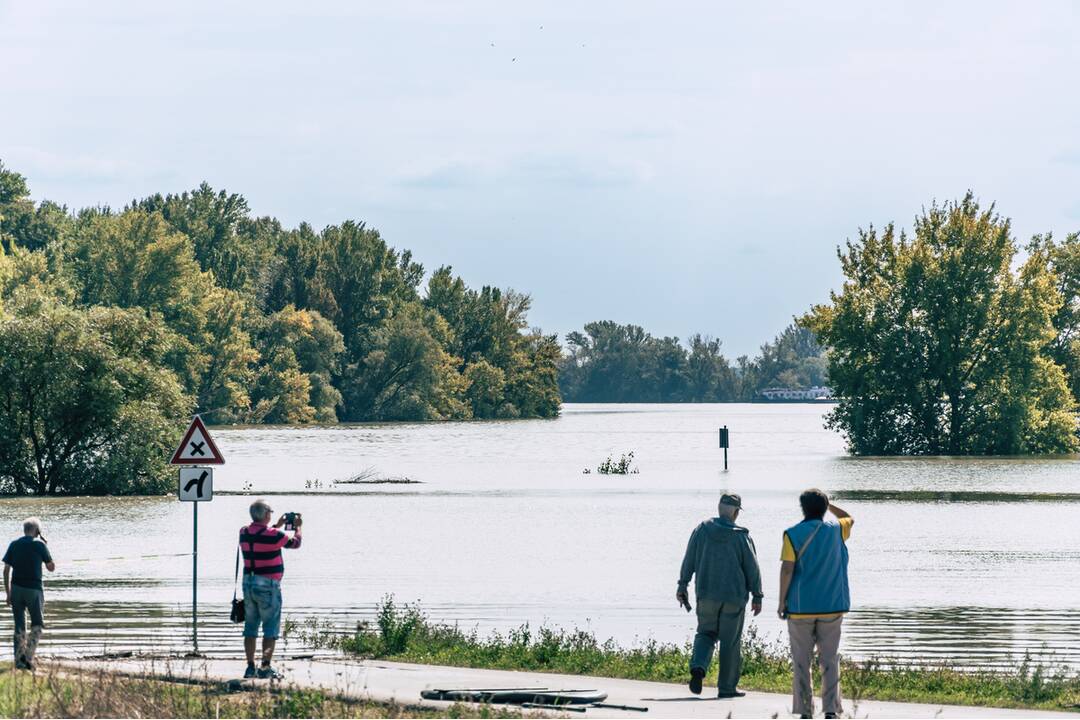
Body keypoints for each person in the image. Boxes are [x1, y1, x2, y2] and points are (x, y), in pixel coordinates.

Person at [676, 492, 763, 698]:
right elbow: (752, 568)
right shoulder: (741, 536)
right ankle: (726, 688)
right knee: (730, 642)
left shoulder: (701, 530)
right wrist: (757, 595)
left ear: (719, 508)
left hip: (706, 595)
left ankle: (698, 667)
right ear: (735, 512)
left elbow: (689, 559)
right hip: (733, 598)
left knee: (705, 633)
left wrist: (682, 585)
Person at [778, 489, 854, 720]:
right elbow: (849, 517)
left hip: (801, 608)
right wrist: (829, 505)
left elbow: (787, 569)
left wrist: (782, 601)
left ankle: (805, 710)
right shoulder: (837, 530)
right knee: (829, 660)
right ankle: (830, 709)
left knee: (802, 661)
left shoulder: (792, 534)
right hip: (832, 605)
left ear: (803, 508)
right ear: (824, 508)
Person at [239, 499, 302, 679]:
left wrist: (277, 525)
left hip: (248, 584)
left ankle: (250, 667)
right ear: (266, 515)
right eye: (270, 513)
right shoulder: (274, 535)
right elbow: (295, 543)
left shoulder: (244, 532)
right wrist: (297, 527)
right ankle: (265, 668)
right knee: (270, 629)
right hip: (268, 585)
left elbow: (262, 534)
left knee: (250, 627)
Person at [3, 517, 56, 671]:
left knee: (19, 627)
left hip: (16, 589)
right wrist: (45, 547)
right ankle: (28, 656)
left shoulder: (14, 544)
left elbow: (6, 570)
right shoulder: (39, 545)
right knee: (37, 625)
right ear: (37, 531)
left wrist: (8, 593)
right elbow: (51, 567)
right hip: (34, 589)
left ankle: (19, 662)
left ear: (24, 529)